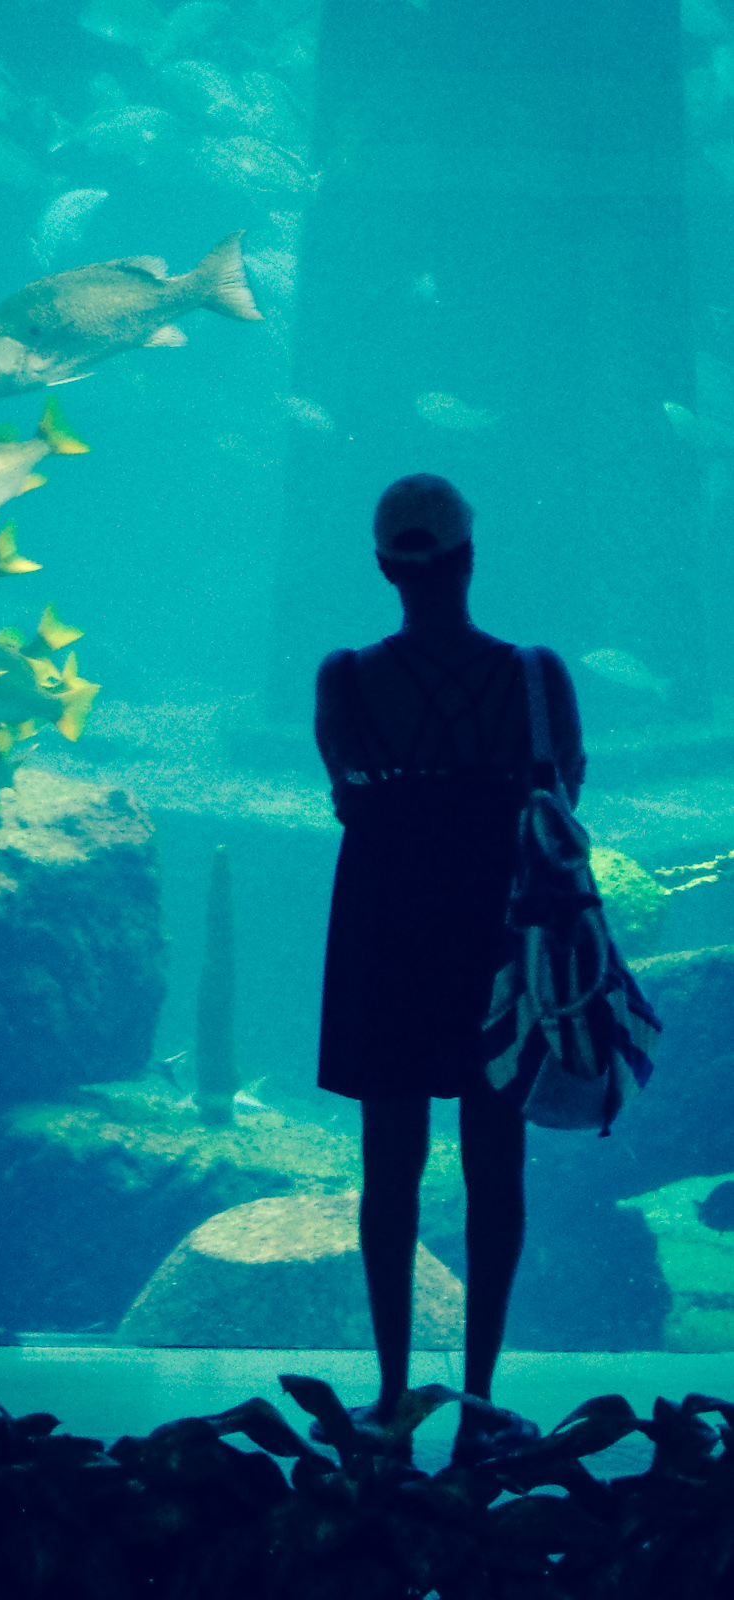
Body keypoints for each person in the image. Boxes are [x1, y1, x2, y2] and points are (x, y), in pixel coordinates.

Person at [314, 474, 586, 1464]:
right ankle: (479, 1398)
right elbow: (567, 796)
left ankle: (391, 1396)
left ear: (384, 567)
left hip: (385, 933)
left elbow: (348, 796)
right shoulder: (535, 676)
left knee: (389, 1170)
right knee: (495, 1168)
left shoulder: (345, 678)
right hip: (496, 936)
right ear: (470, 558)